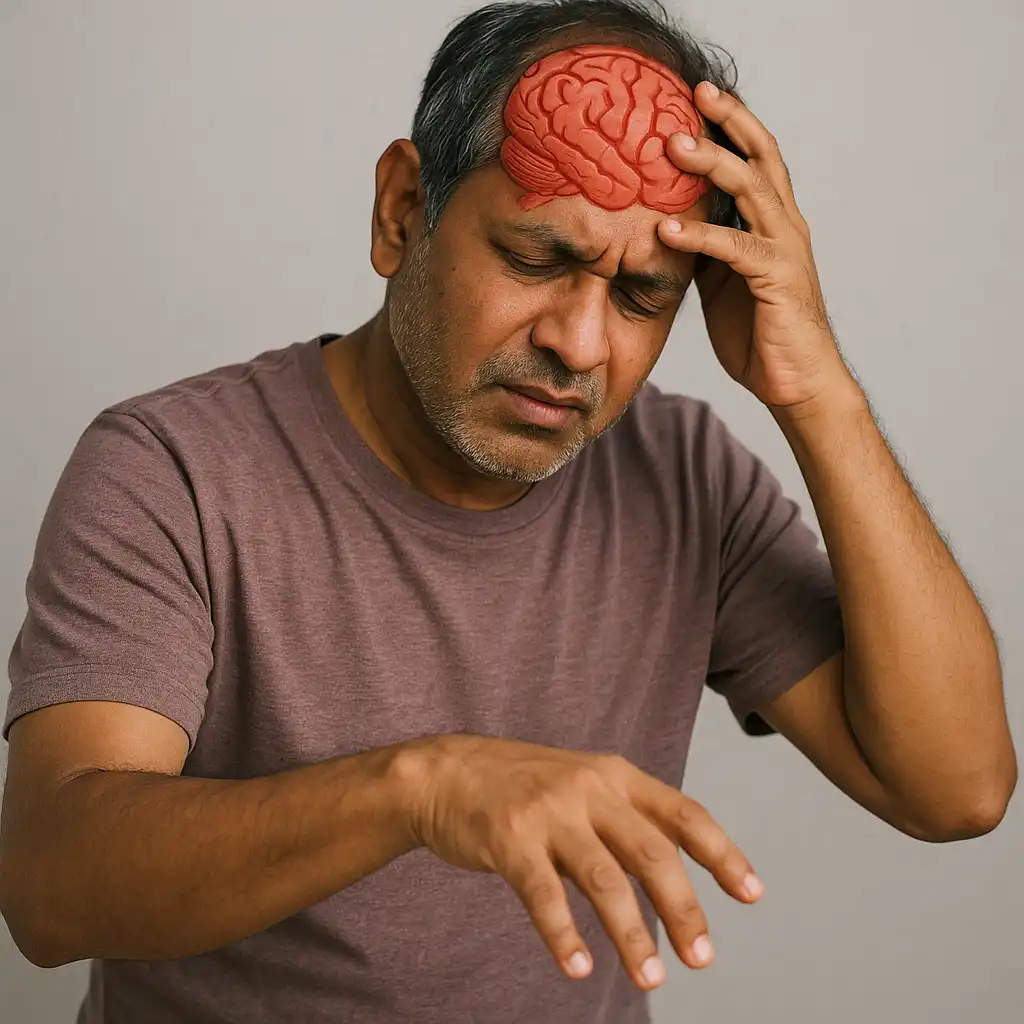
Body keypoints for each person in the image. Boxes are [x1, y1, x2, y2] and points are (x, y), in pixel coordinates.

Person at [0, 1, 1015, 1022]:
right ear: (402, 210)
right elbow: (50, 887)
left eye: (641, 298)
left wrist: (817, 392)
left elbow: (956, 788)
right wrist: (422, 789)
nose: (579, 343)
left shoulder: (684, 474)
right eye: (536, 259)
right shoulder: (173, 469)